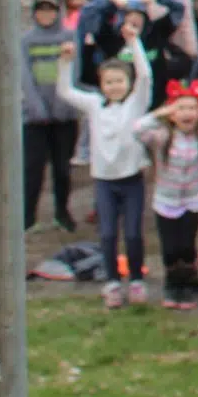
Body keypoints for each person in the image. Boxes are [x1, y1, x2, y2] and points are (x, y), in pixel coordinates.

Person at [58, 36, 152, 308]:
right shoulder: (94, 105)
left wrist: (135, 43)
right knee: (108, 233)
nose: (114, 87)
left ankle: (136, 279)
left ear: (127, 83)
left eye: (119, 81)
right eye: (108, 82)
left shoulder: (136, 104)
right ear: (101, 84)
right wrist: (65, 61)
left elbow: (145, 75)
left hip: (132, 178)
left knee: (133, 232)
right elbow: (65, 92)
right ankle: (112, 282)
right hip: (104, 181)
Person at [136, 82, 198, 310]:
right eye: (181, 109)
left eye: (192, 108)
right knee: (170, 248)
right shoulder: (161, 136)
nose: (187, 114)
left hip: (193, 200)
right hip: (165, 201)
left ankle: (188, 282)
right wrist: (160, 113)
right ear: (172, 114)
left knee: (186, 246)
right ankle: (172, 284)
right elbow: (137, 129)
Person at [18, 0, 81, 232]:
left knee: (62, 168)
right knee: (33, 167)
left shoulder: (69, 37)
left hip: (63, 116)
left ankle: (62, 211)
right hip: (35, 117)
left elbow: (75, 71)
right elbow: (23, 76)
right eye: (41, 10)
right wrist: (37, 107)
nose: (46, 14)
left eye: (51, 9)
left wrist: (62, 104)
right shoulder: (26, 40)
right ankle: (27, 215)